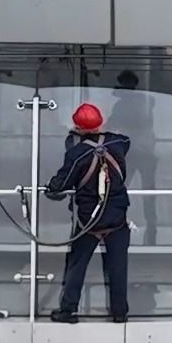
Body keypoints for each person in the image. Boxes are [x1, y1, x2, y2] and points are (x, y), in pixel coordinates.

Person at [42, 100, 131, 323]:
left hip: (89, 222)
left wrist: (51, 185)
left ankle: (68, 310)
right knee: (117, 267)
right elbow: (125, 141)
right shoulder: (118, 143)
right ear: (101, 123)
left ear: (78, 127)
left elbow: (61, 184)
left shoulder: (77, 154)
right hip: (117, 218)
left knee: (77, 265)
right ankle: (119, 312)